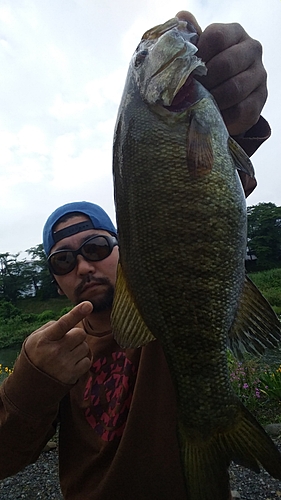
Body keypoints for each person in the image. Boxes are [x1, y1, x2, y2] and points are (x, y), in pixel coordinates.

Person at [0, 10, 270, 500]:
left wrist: (236, 117)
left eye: (97, 246)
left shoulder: (160, 321)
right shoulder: (54, 356)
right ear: (54, 280)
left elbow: (201, 200)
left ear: (128, 246)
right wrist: (30, 385)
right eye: (62, 261)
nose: (82, 265)